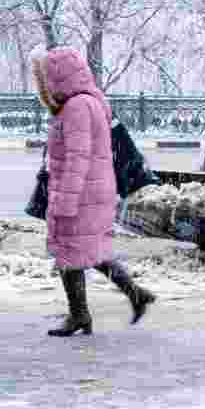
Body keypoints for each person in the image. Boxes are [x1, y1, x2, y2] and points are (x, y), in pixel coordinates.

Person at [31, 46, 156, 337]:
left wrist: (65, 201)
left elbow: (78, 158)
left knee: (70, 252)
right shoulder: (87, 103)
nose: (46, 87)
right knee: (86, 251)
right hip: (89, 192)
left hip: (81, 194)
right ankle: (133, 295)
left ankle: (81, 314)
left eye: (48, 79)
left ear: (59, 78)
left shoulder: (77, 107)